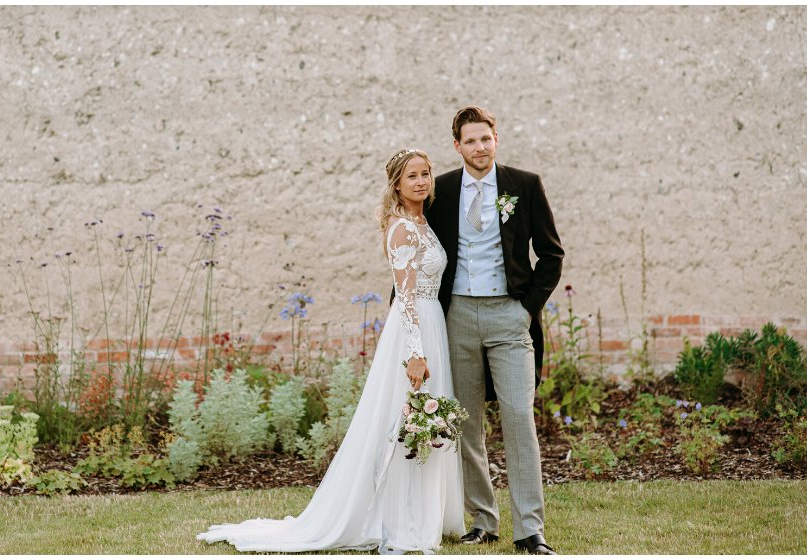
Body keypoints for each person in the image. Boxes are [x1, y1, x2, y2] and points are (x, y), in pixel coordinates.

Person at [197, 148, 464, 553]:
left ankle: (423, 513)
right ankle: (397, 521)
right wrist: (415, 352)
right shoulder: (402, 229)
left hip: (432, 324)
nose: (422, 181)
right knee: (403, 421)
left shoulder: (422, 222)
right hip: (415, 329)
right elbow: (405, 297)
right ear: (397, 184)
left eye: (426, 174)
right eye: (412, 176)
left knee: (423, 421)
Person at [424, 106, 564, 555]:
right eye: (470, 141)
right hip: (457, 317)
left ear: (495, 139)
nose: (479, 147)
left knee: (519, 418)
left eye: (486, 139)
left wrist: (526, 309)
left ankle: (530, 530)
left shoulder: (524, 185)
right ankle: (483, 520)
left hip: (509, 316)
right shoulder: (440, 191)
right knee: (466, 423)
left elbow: (551, 254)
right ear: (457, 146)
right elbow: (422, 255)